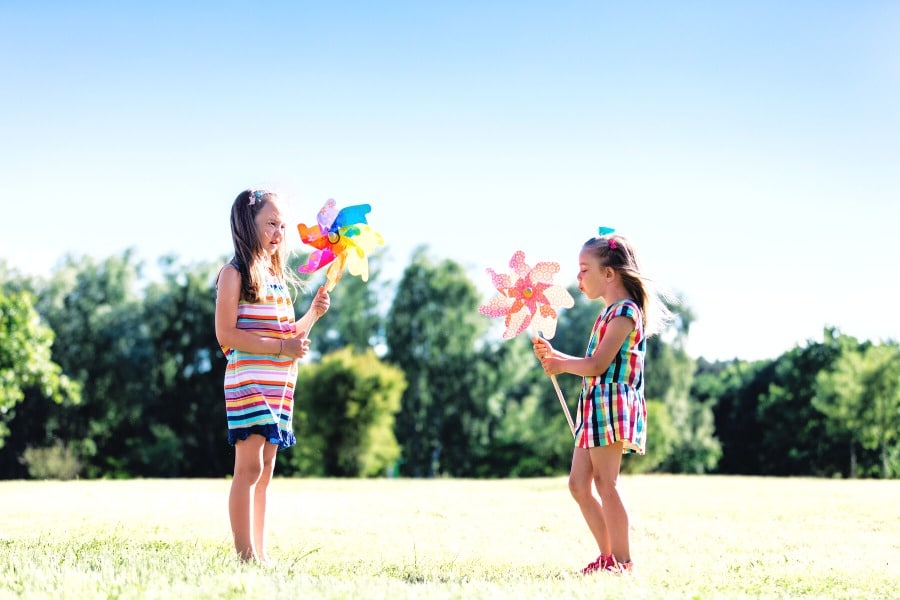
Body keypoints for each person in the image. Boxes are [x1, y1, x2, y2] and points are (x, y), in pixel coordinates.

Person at [532, 229, 671, 575]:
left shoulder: (625, 312)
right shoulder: (609, 312)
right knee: (579, 484)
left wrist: (563, 365)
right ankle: (607, 556)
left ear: (608, 273)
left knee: (605, 484)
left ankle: (624, 563)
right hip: (594, 404)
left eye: (583, 269)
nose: (577, 278)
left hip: (611, 405)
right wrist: (555, 355)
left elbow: (597, 366)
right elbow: (593, 366)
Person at [215, 188, 330, 563]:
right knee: (248, 467)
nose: (280, 232)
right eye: (271, 223)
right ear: (248, 224)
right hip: (250, 382)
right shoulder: (234, 275)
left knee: (264, 474)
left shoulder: (277, 280)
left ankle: (260, 555)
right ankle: (245, 557)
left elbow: (288, 335)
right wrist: (283, 349)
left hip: (280, 385)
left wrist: (312, 314)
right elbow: (226, 336)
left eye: (282, 225)